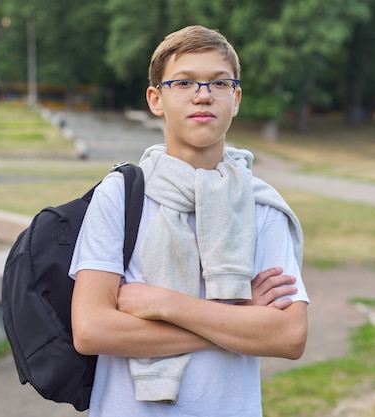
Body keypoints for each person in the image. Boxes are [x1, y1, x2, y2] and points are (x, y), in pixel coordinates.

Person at [69, 25, 309, 417]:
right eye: (183, 82)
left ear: (236, 99)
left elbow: (289, 335)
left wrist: (163, 303)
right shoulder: (120, 195)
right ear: (155, 99)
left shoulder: (261, 205)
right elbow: (92, 329)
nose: (203, 95)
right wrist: (240, 325)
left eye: (219, 83)